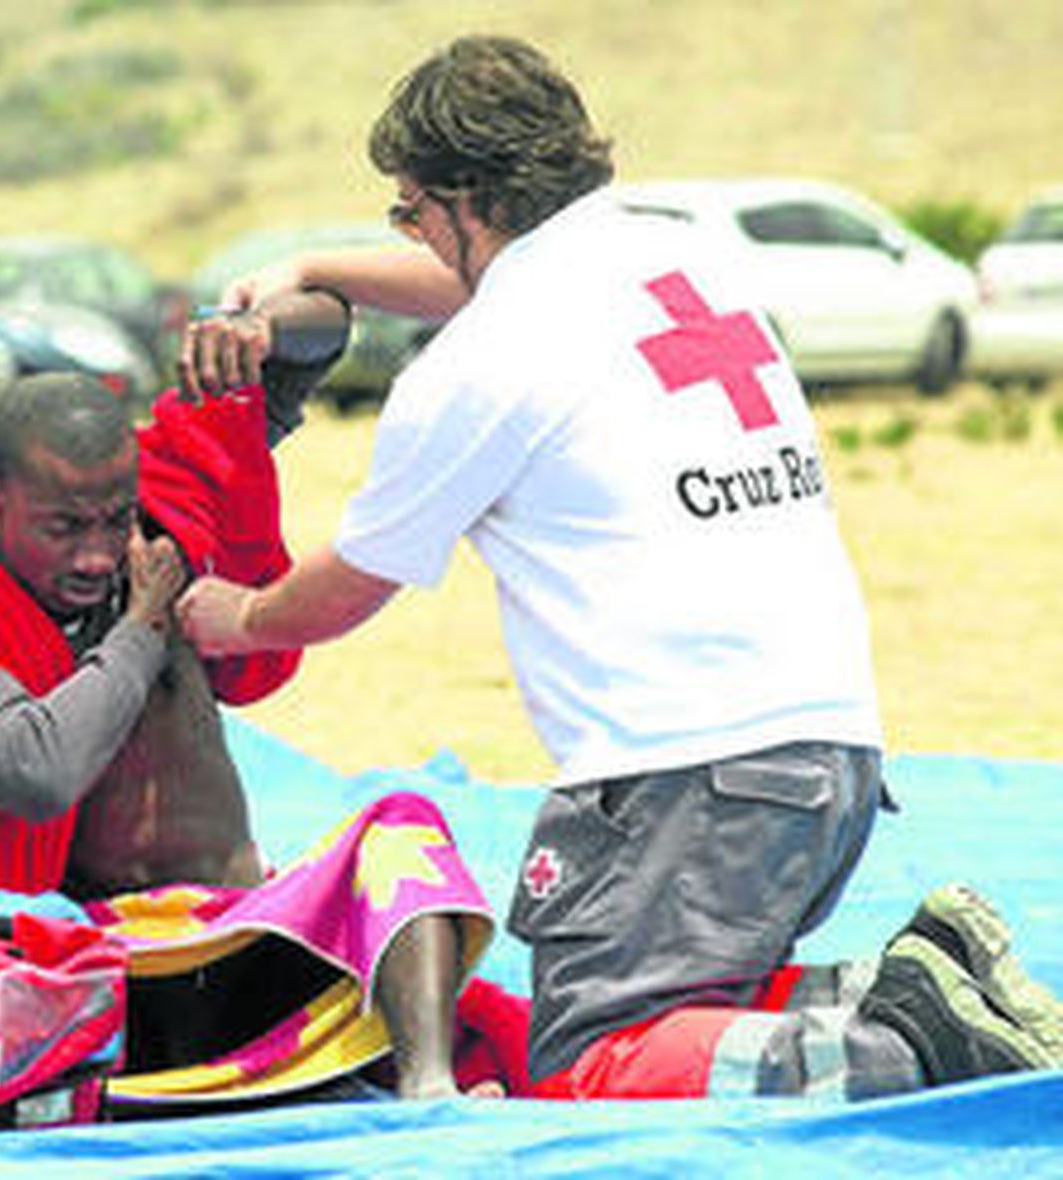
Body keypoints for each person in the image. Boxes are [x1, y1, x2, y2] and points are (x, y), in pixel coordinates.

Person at [176, 33, 1063, 1100]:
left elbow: (353, 582)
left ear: (465, 199)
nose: (408, 232)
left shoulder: (479, 364)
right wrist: (315, 268)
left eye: (408, 209)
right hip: (826, 758)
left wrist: (237, 615)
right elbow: (483, 286)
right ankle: (929, 981)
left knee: (594, 1056)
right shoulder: (674, 262)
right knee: (693, 1009)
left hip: (688, 781)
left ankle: (905, 1036)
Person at [0, 290, 490, 1102]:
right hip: (93, 966)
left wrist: (256, 327)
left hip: (246, 926)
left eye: (111, 521)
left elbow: (321, 337)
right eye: (65, 528)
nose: (98, 554)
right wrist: (138, 626)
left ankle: (428, 1091)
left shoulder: (167, 506)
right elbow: (36, 774)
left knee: (403, 829)